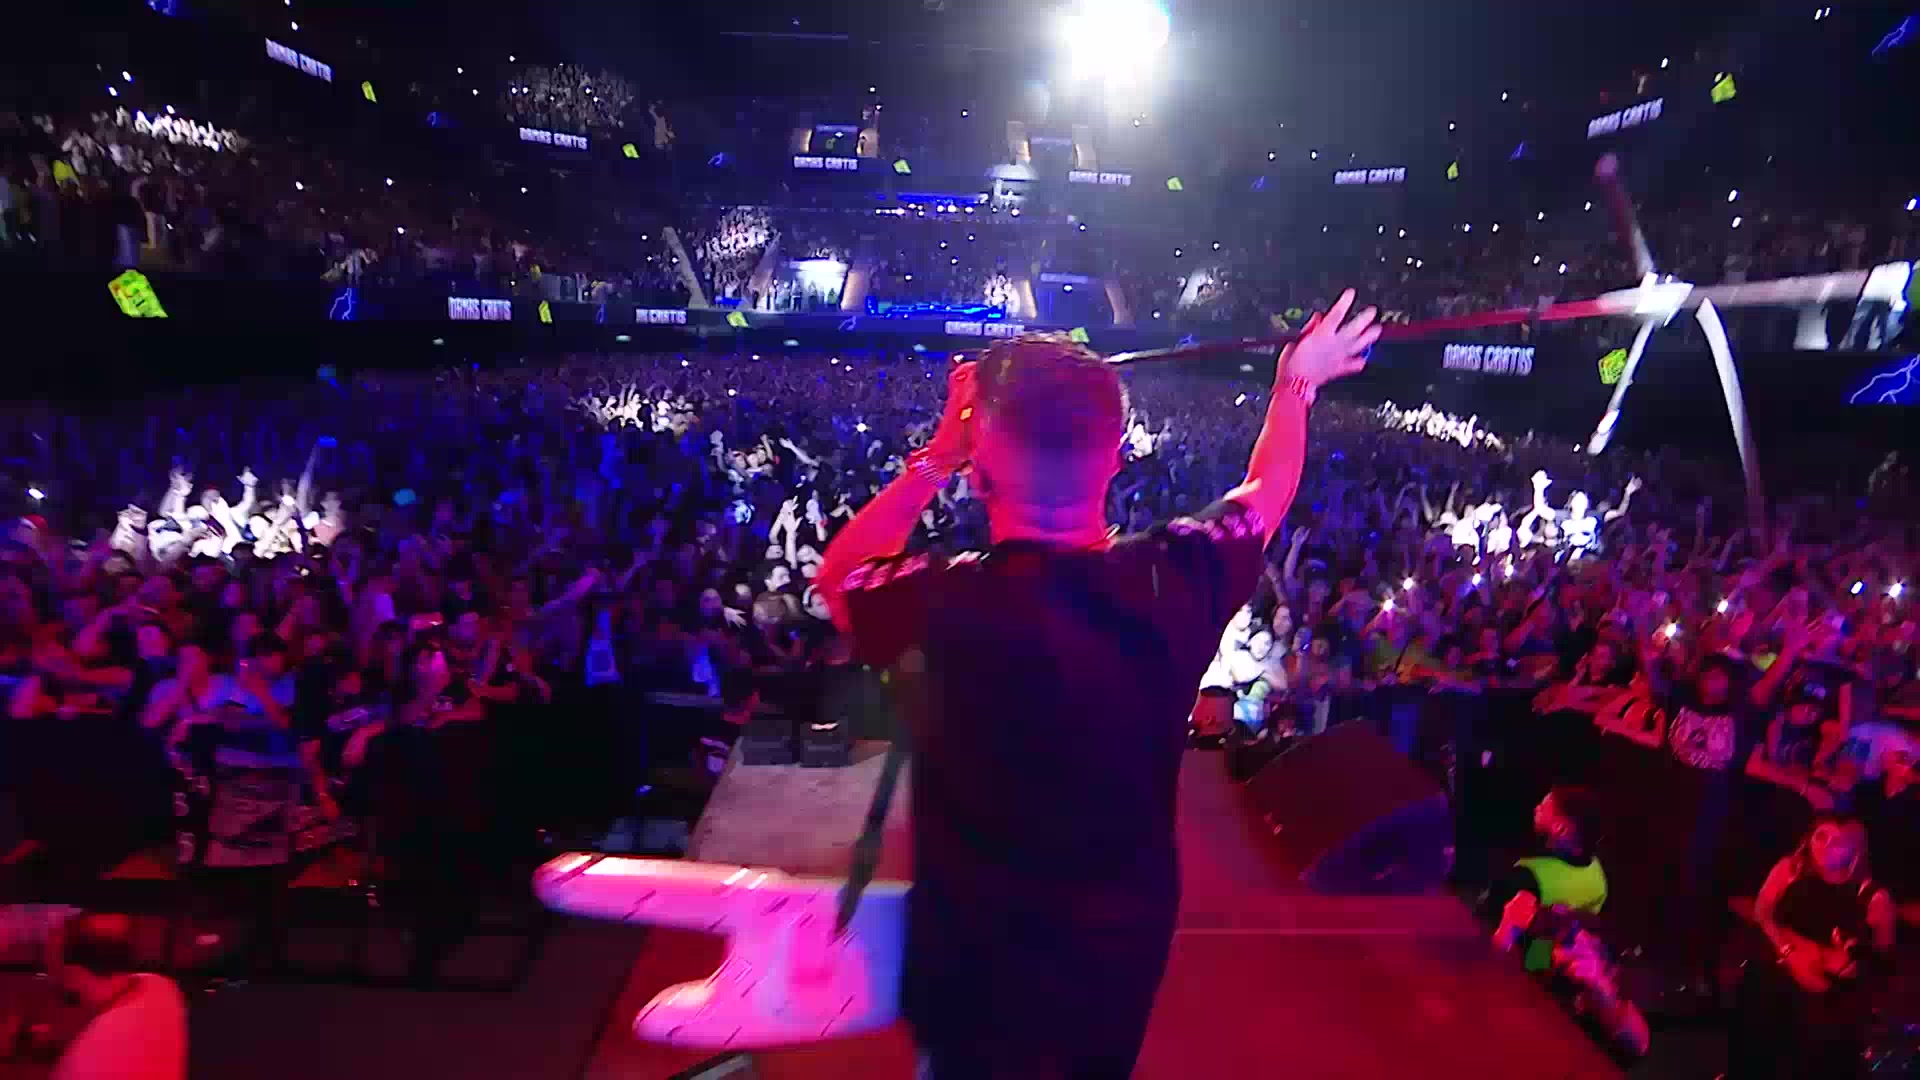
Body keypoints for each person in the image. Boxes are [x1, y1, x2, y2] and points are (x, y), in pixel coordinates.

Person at [818, 293, 1379, 1078]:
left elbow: (839, 576)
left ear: (978, 473)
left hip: (973, 978)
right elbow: (1268, 488)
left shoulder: (936, 600)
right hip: (1115, 967)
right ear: (1115, 459)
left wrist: (936, 456)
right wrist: (1295, 385)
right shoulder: (1177, 576)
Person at [1730, 817, 1895, 1078]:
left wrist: (1851, 956)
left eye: (1838, 840)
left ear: (1856, 850)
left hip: (1826, 990)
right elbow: (1762, 912)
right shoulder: (1790, 868)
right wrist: (1789, 950)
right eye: (1821, 836)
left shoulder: (1871, 895)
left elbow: (1881, 956)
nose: (1827, 845)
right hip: (1779, 967)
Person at [1491, 787, 1649, 1059]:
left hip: (1544, 957)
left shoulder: (1528, 874)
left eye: (1543, 806)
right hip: (1574, 953)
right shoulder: (1597, 871)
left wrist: (1513, 938)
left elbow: (1526, 954)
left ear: (1561, 828)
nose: (1536, 808)